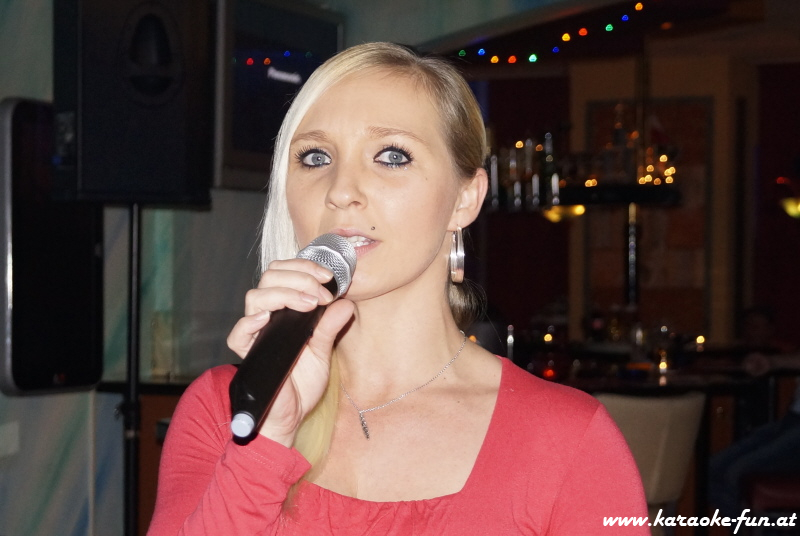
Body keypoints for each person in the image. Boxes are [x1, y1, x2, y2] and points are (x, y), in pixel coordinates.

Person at [147, 42, 648, 535]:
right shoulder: (226, 410)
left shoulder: (569, 440)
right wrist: (267, 439)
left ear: (465, 198)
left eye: (391, 155)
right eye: (316, 157)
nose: (341, 191)